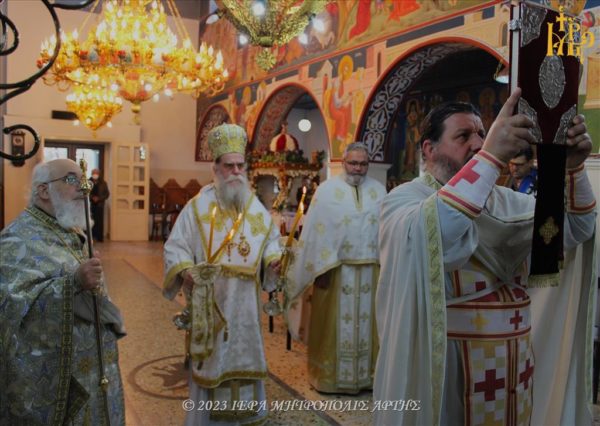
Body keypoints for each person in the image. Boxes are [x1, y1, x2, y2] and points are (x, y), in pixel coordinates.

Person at [374, 88, 597, 425]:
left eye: (482, 134)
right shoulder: (405, 200)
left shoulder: (507, 201)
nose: (478, 143)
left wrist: (573, 169)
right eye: (463, 136)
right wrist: (491, 156)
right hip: (447, 365)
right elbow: (438, 234)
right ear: (429, 149)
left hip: (515, 364)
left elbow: (577, 230)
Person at [163, 124, 282, 425]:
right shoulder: (197, 207)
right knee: (212, 363)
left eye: (240, 165)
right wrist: (186, 270)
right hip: (211, 303)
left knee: (244, 358)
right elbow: (175, 246)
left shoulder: (254, 206)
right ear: (215, 168)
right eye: (229, 166)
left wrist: (273, 261)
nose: (236, 172)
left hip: (246, 305)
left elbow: (271, 241)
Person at [0, 158, 126, 425]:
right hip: (58, 378)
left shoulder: (68, 229)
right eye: (71, 179)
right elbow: (10, 308)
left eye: (83, 180)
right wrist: (72, 284)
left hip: (92, 365)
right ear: (43, 190)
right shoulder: (16, 238)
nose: (84, 187)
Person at [285, 142, 386, 394]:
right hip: (334, 270)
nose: (358, 169)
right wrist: (317, 269)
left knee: (370, 326)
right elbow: (314, 232)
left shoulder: (379, 191)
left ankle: (367, 378)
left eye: (363, 164)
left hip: (371, 271)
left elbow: (385, 231)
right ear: (343, 163)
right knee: (332, 327)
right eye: (353, 163)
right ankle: (328, 377)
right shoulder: (327, 191)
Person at [90, 168, 110, 242]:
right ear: (91, 174)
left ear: (99, 174)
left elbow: (107, 194)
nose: (95, 175)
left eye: (96, 173)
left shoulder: (103, 183)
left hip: (100, 205)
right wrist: (92, 197)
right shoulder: (88, 182)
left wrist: (99, 198)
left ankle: (99, 237)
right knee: (90, 221)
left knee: (99, 221)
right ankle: (90, 237)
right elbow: (85, 192)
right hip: (90, 205)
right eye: (94, 173)